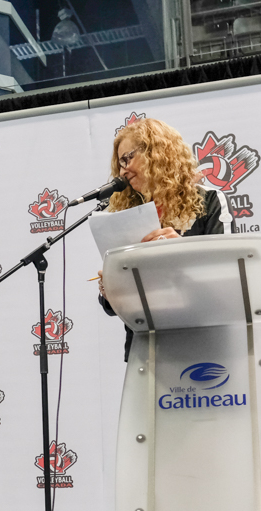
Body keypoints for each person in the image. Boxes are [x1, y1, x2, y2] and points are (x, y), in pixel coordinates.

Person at [97, 117, 226, 359]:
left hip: (201, 343)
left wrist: (181, 250)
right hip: (144, 347)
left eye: (128, 158)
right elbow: (113, 308)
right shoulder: (124, 214)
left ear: (156, 153)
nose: (123, 170)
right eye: (119, 163)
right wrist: (110, 290)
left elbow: (226, 280)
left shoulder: (209, 200)